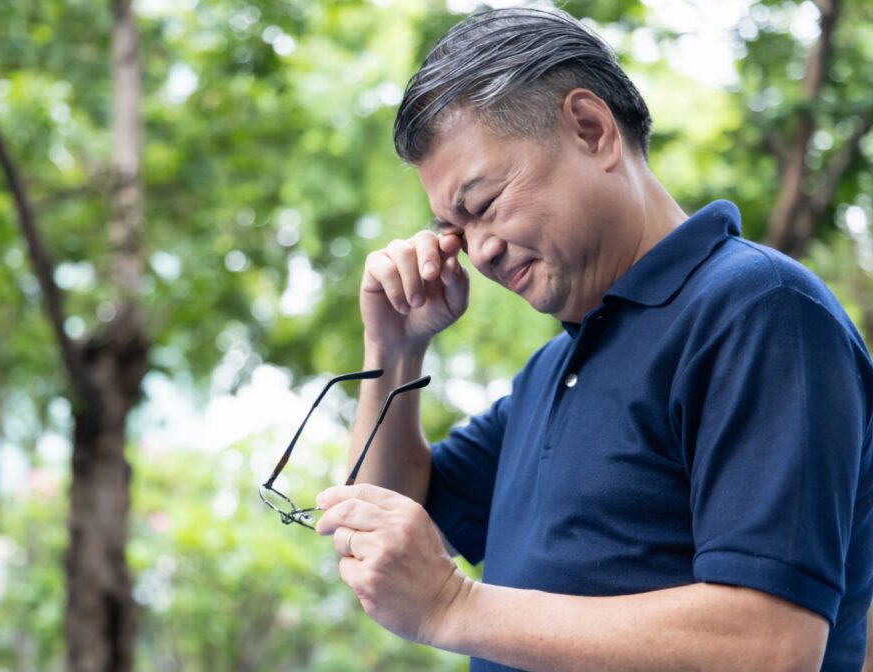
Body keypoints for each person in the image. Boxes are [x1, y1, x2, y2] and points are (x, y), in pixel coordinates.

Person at [312, 7, 873, 671]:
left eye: (484, 204)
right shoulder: (554, 368)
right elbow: (388, 531)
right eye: (455, 229)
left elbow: (771, 646)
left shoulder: (758, 311)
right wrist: (394, 351)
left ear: (591, 129)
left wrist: (457, 607)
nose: (479, 252)